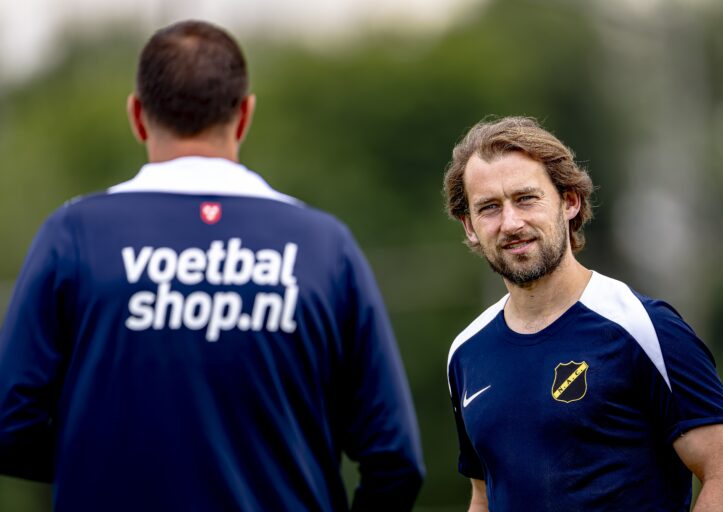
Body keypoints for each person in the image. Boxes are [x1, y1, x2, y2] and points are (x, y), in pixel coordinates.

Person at [0, 20, 424, 512]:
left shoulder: (73, 235)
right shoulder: (326, 246)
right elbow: (394, 460)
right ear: (244, 115)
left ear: (137, 115)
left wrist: (108, 462)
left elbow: (10, 427)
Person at [443, 116, 723, 511]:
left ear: (569, 202)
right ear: (470, 226)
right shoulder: (466, 352)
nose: (511, 222)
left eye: (526, 198)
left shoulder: (644, 328)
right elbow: (484, 497)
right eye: (489, 208)